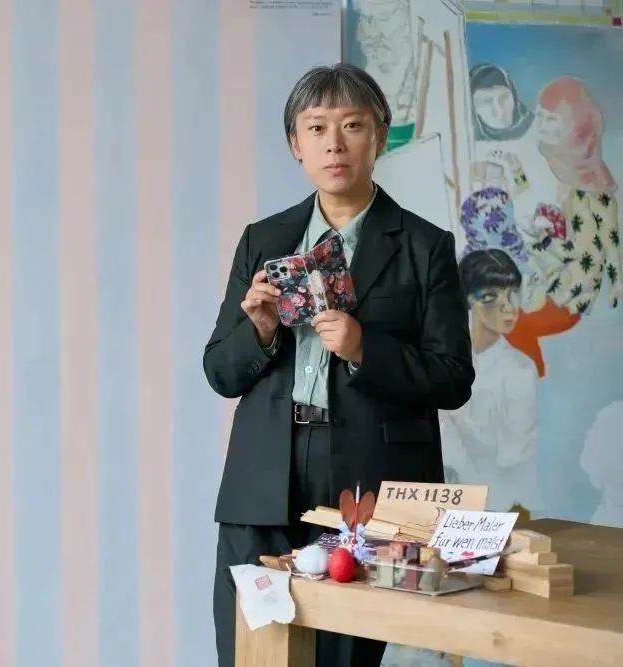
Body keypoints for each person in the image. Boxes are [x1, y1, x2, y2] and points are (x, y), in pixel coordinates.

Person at [203, 63, 474, 667]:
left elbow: (454, 377)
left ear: (378, 137)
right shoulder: (263, 240)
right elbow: (220, 371)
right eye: (317, 127)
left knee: (340, 658)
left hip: (367, 483)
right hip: (262, 476)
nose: (334, 143)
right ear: (295, 144)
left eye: (352, 125)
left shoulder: (424, 246)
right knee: (249, 652)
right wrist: (260, 331)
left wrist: (364, 349)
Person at [440, 249, 541, 515]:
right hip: (437, 500)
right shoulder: (443, 358)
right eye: (490, 297)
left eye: (512, 294)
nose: (508, 307)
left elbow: (514, 458)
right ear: (467, 301)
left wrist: (457, 420)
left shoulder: (519, 371)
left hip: (497, 504)